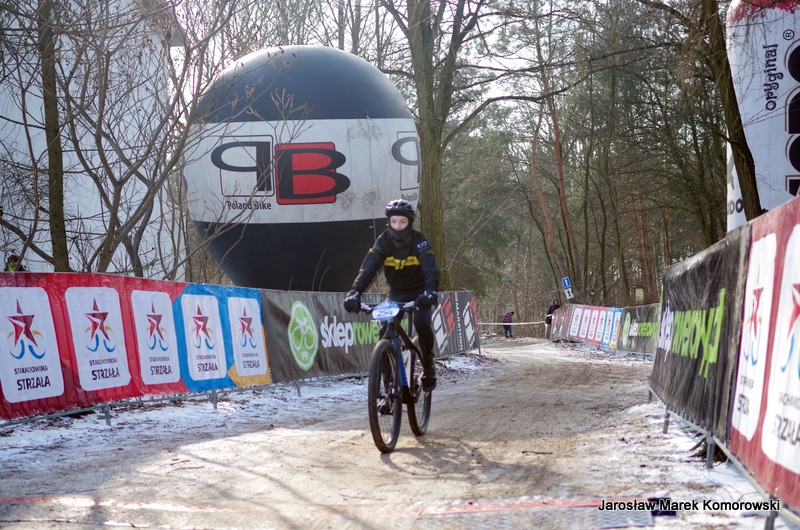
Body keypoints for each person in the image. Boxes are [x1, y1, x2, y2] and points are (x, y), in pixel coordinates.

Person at [343, 199, 440, 391]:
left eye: (402, 222)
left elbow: (430, 269)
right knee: (385, 329)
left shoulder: (419, 241)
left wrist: (430, 292)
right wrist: (354, 293)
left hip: (420, 291)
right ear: (389, 223)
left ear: (410, 223)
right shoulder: (384, 240)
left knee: (421, 323)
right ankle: (388, 384)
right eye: (394, 222)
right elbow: (368, 269)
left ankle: (429, 364)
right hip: (396, 292)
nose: (398, 226)